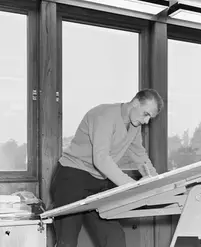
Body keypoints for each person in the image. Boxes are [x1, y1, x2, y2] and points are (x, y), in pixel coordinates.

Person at [50, 89, 164, 247]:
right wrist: (132, 187)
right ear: (136, 103)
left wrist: (156, 184)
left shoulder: (134, 125)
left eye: (150, 118)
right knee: (67, 242)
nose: (146, 121)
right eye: (146, 114)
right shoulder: (104, 116)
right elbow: (101, 159)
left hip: (98, 181)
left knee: (114, 239)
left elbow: (140, 156)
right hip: (72, 177)